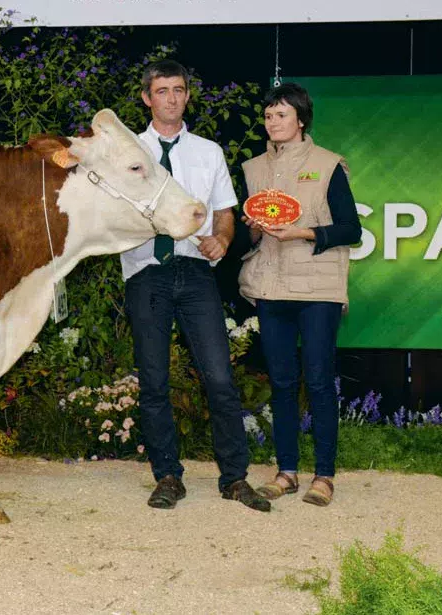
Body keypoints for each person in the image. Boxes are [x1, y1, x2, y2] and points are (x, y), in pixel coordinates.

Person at [121, 60, 270, 512]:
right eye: (162, 90)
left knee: (220, 378)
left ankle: (234, 478)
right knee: (154, 381)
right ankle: (168, 476)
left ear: (188, 96)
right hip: (146, 269)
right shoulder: (127, 152)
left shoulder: (207, 152)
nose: (171, 98)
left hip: (196, 272)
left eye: (178, 90)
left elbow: (225, 209)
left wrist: (223, 237)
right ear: (147, 98)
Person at [239, 82, 362, 506]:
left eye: (282, 115)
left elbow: (351, 230)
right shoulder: (252, 168)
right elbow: (248, 237)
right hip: (271, 286)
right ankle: (286, 471)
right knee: (282, 381)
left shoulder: (327, 165)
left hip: (317, 288)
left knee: (319, 380)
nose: (273, 122)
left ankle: (324, 476)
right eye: (269, 115)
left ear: (301, 120)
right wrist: (252, 228)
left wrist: (303, 232)